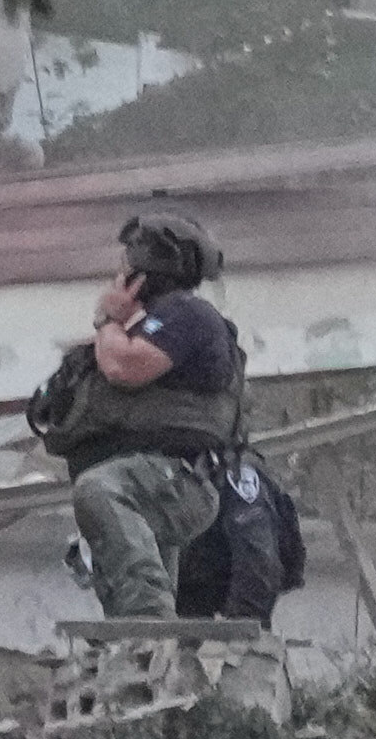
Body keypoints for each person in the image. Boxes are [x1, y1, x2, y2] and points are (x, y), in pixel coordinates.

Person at [22, 209, 247, 626]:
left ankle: (150, 628)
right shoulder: (149, 325)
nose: (119, 272)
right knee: (126, 605)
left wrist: (108, 318)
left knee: (100, 491)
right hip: (151, 481)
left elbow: (125, 367)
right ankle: (142, 644)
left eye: (127, 261)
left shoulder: (187, 314)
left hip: (174, 480)